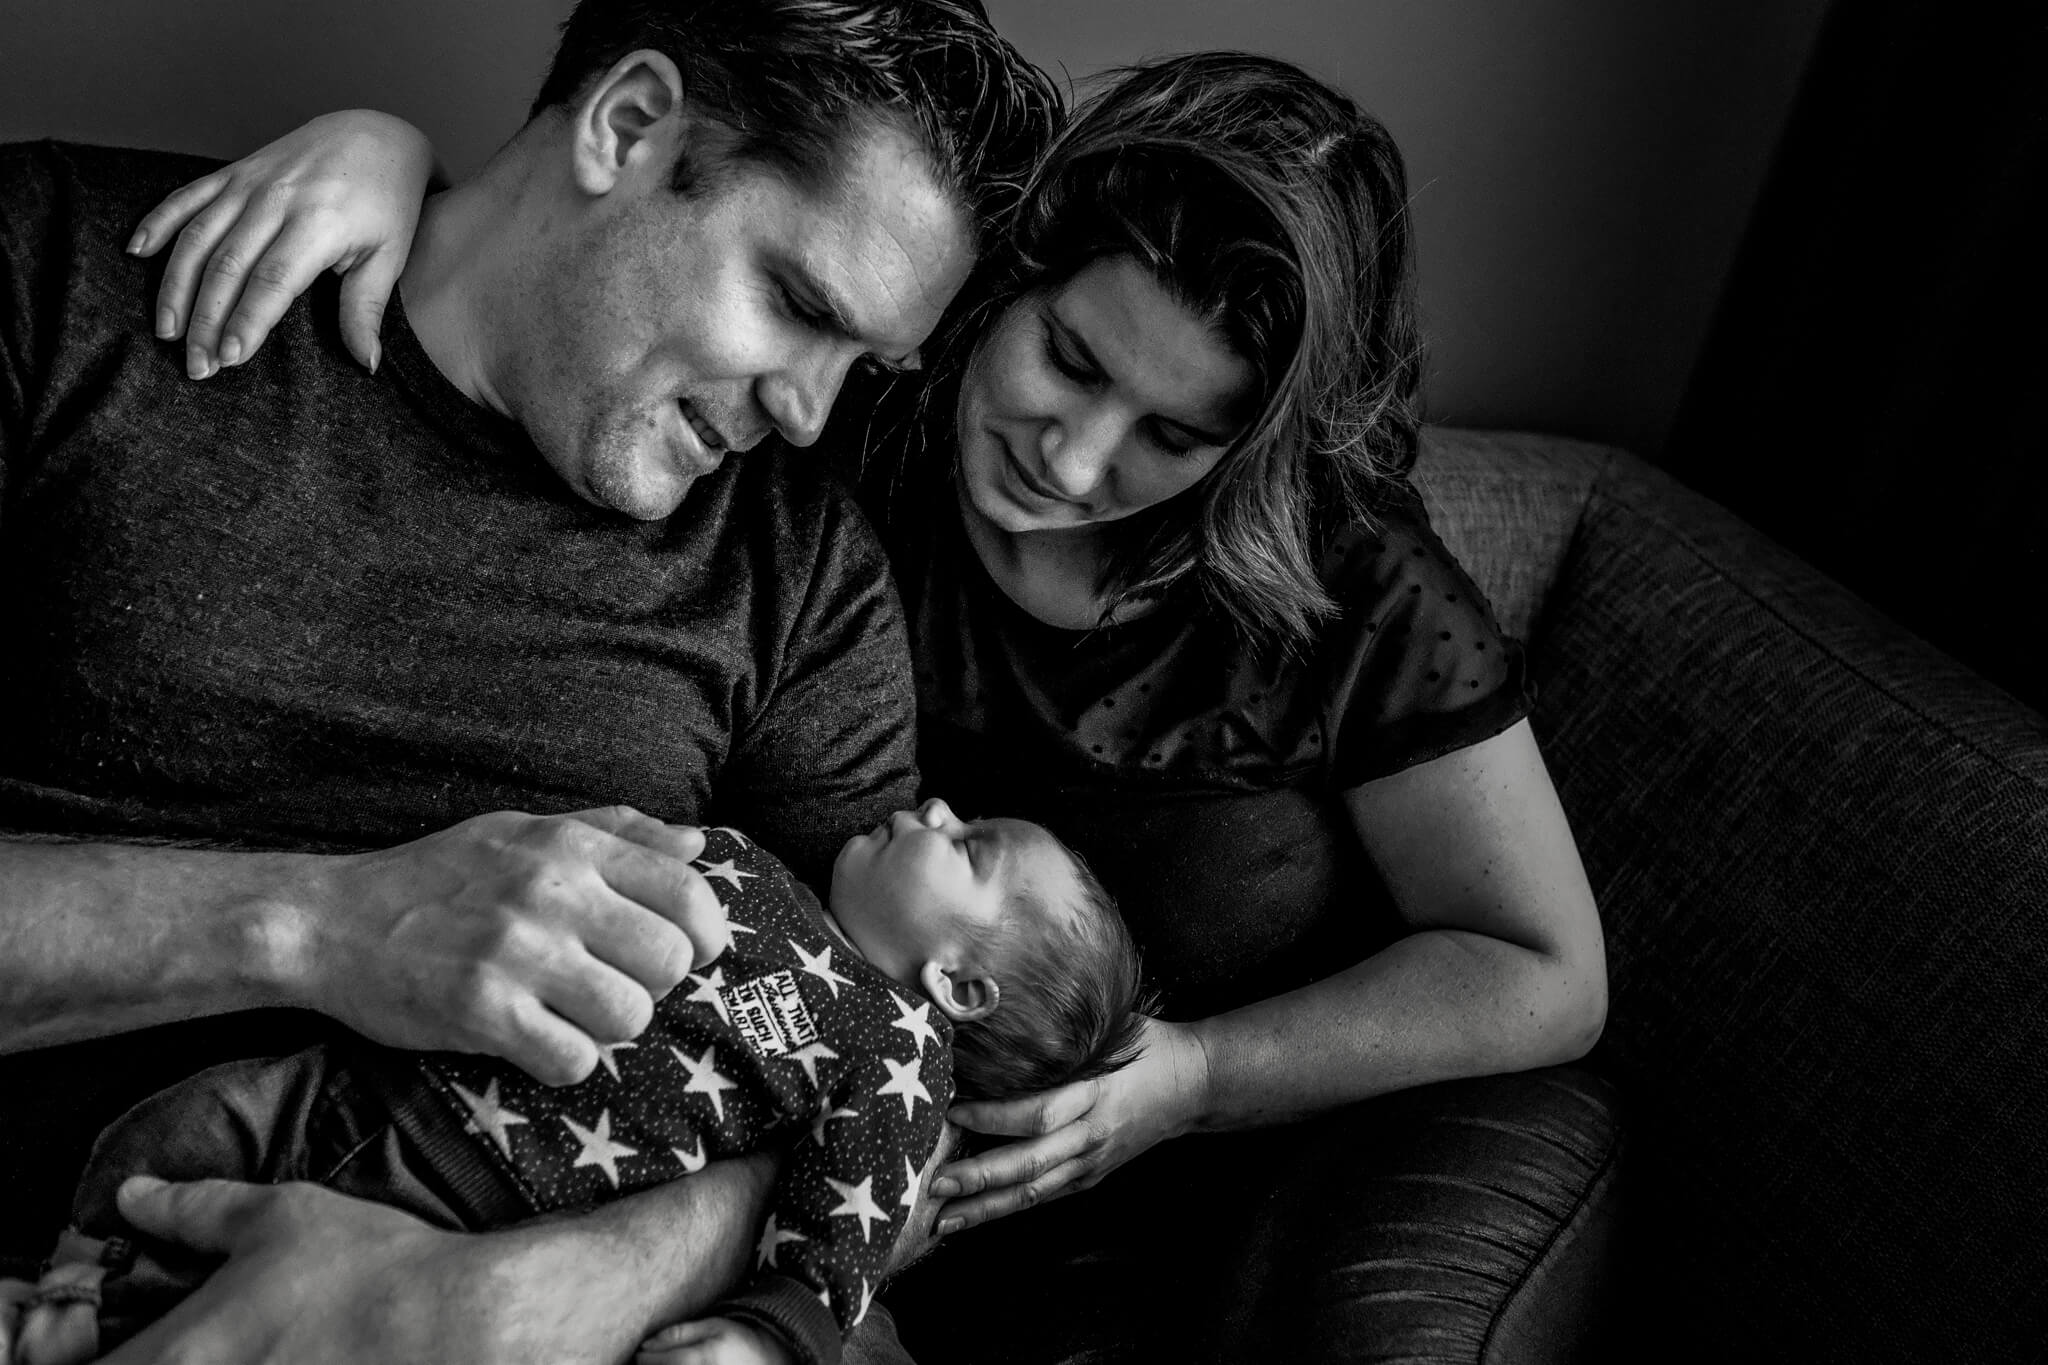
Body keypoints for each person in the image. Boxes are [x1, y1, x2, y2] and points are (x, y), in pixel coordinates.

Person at [120, 47, 1613, 1363]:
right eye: (1067, 360)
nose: (1073, 463)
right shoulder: (866, 413)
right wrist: (392, 156)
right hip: (854, 1149)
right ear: (1008, 280)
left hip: (1257, 1157)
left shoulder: (1352, 590)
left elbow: (1542, 969)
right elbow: (599, 275)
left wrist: (1198, 1078)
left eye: (1171, 436)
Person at [0, 3, 1058, 1364]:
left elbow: (894, 1112)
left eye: (861, 365)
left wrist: (508, 1304)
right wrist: (316, 927)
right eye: (799, 305)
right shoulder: (60, 276)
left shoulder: (798, 577)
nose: (809, 412)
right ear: (628, 126)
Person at [4, 808, 1145, 1365]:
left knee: (252, 1281)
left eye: (970, 845)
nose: (935, 809)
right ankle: (80, 1285)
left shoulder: (893, 1053)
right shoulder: (763, 869)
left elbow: (849, 1214)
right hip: (377, 1075)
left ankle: (86, 1324)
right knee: (183, 1132)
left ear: (958, 987)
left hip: (476, 1197)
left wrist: (771, 1337)